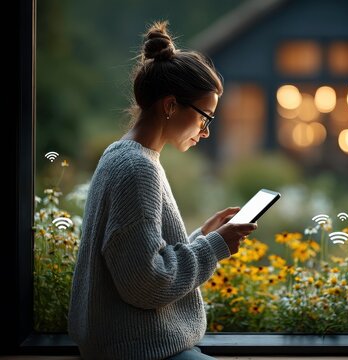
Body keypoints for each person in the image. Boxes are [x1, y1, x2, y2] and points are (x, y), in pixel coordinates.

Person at [68, 21, 257, 360]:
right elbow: (146, 282)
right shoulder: (136, 168)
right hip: (139, 352)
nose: (206, 131)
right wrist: (213, 247)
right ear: (170, 106)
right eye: (205, 118)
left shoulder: (124, 155)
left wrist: (203, 237)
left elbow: (136, 258)